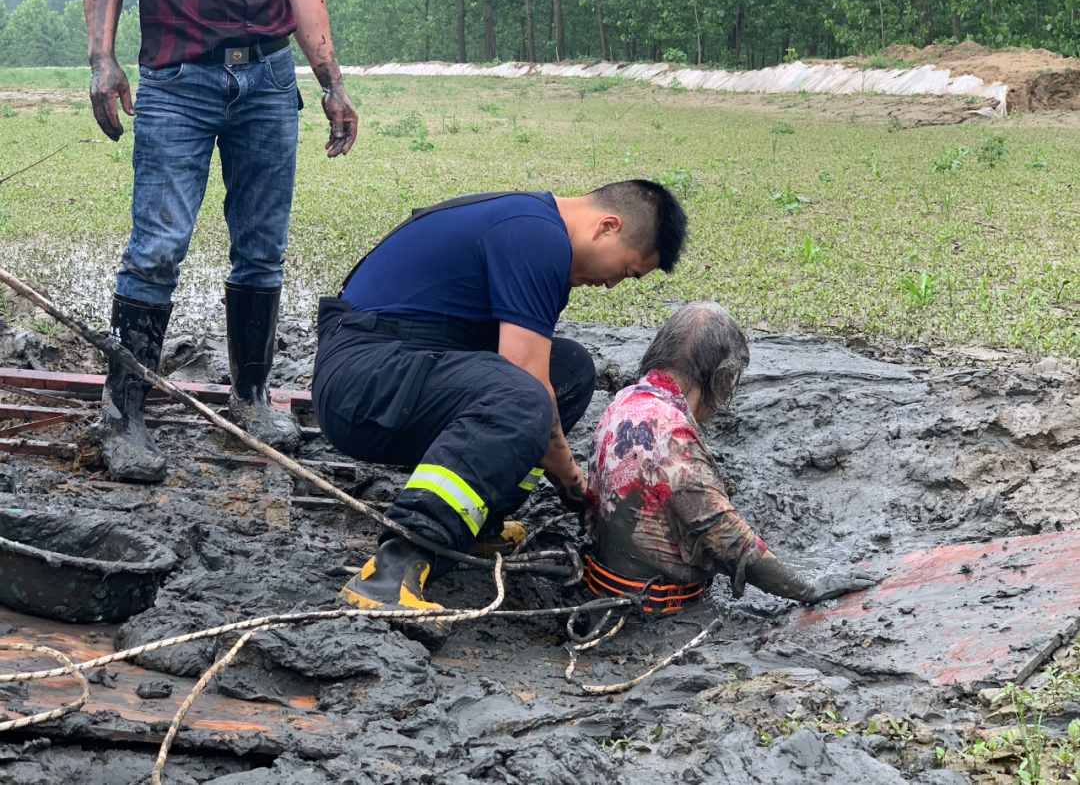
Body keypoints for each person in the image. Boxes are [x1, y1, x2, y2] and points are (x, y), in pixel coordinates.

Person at [312, 182, 688, 641]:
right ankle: (391, 570)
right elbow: (524, 380)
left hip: (401, 365)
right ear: (608, 226)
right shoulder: (536, 235)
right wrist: (574, 485)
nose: (611, 284)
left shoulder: (535, 227)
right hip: (362, 380)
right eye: (625, 271)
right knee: (526, 394)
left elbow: (536, 374)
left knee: (569, 371)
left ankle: (474, 525)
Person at [84, 0, 358, 482]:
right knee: (156, 251)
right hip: (176, 80)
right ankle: (121, 415)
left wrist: (332, 83)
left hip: (270, 79)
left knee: (263, 249)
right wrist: (102, 59)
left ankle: (251, 398)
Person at [583, 302, 880, 614]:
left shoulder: (623, 402)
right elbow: (730, 540)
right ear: (721, 377)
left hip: (608, 585)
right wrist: (809, 589)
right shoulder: (672, 434)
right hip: (655, 608)